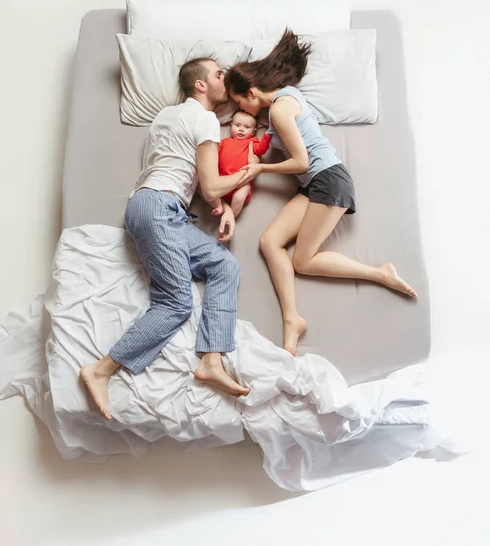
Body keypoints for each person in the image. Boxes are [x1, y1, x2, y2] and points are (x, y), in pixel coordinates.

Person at [225, 30, 417, 357]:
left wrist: (261, 169)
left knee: (303, 260)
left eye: (238, 100)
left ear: (252, 92)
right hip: (314, 184)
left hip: (328, 179)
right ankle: (292, 319)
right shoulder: (284, 100)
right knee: (269, 242)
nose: (239, 108)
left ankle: (379, 273)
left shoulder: (280, 111)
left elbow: (301, 160)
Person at [81, 57, 251, 420]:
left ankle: (211, 360)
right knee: (176, 302)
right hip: (159, 207)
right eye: (219, 74)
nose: (226, 78)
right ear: (200, 85)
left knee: (224, 265)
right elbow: (209, 185)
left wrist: (226, 208)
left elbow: (189, 175)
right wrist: (252, 171)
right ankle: (100, 370)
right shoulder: (205, 118)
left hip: (158, 208)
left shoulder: (167, 115)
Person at [210, 110, 271, 217]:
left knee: (240, 195)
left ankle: (231, 216)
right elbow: (215, 157)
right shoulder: (224, 142)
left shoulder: (252, 142)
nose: (241, 129)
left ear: (253, 131)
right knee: (211, 187)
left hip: (242, 183)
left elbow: (261, 150)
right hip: (223, 179)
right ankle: (219, 205)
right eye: (237, 125)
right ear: (231, 125)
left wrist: (267, 135)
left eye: (247, 127)